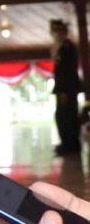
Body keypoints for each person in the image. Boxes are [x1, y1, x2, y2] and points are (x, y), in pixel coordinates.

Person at [50, 19, 82, 155]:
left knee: (67, 116)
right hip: (64, 87)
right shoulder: (62, 47)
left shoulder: (67, 47)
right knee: (63, 116)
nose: (54, 34)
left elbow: (67, 70)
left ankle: (70, 145)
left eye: (57, 31)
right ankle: (67, 144)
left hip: (67, 88)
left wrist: (63, 90)